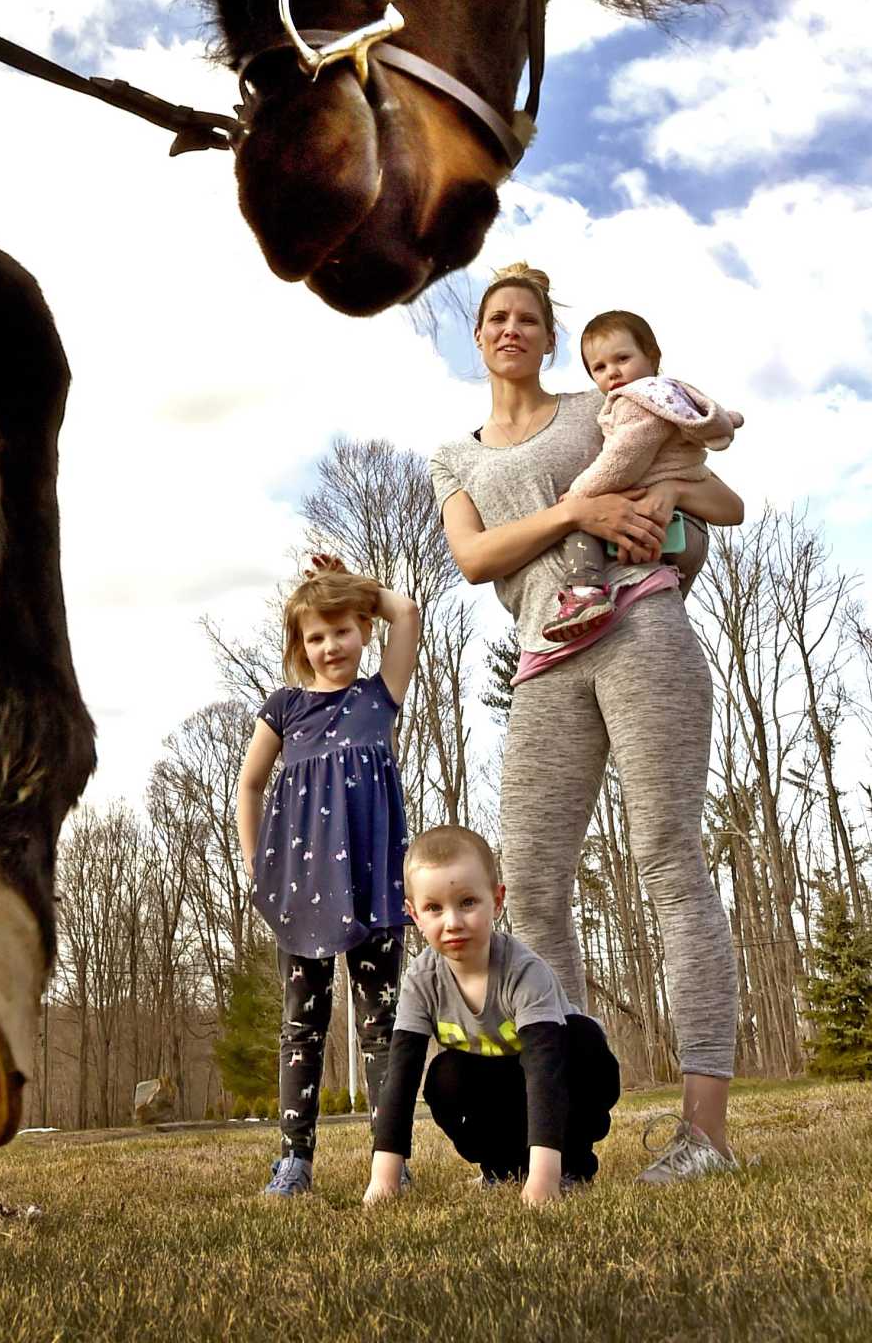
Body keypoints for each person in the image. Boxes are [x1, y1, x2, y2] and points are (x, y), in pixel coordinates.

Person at [431, 263, 743, 1183]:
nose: (511, 328)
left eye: (528, 318)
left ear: (548, 337)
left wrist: (668, 497)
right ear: (477, 335)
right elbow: (473, 558)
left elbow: (721, 499)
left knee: (667, 858)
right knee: (529, 888)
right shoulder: (456, 457)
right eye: (496, 316)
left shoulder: (599, 408)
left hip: (639, 628)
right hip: (543, 657)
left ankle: (705, 1134)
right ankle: (559, 1138)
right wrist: (575, 507)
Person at [236, 565, 420, 1198]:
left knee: (381, 1025)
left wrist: (356, 587)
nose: (331, 646)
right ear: (299, 645)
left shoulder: (379, 697)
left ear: (364, 629)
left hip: (376, 885)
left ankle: (389, 1162)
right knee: (301, 1027)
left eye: (342, 630)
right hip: (301, 889)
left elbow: (408, 613)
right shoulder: (285, 709)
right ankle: (294, 1161)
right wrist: (256, 862)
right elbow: (250, 784)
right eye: (315, 636)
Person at [364, 826, 620, 1207]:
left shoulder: (524, 972)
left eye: (467, 902)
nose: (452, 921)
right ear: (413, 914)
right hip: (497, 1089)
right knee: (445, 1076)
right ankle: (500, 1168)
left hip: (558, 1081)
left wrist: (543, 1180)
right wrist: (383, 1180)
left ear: (497, 901)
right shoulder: (421, 981)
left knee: (582, 1037)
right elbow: (400, 1078)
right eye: (434, 908)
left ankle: (570, 1165)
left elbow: (546, 1075)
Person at [542, 309, 743, 643]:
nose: (613, 372)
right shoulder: (669, 398)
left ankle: (585, 593)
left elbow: (623, 461)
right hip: (687, 526)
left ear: (652, 356)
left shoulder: (638, 401)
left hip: (670, 521)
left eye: (622, 358)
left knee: (580, 523)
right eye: (599, 368)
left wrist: (577, 496)